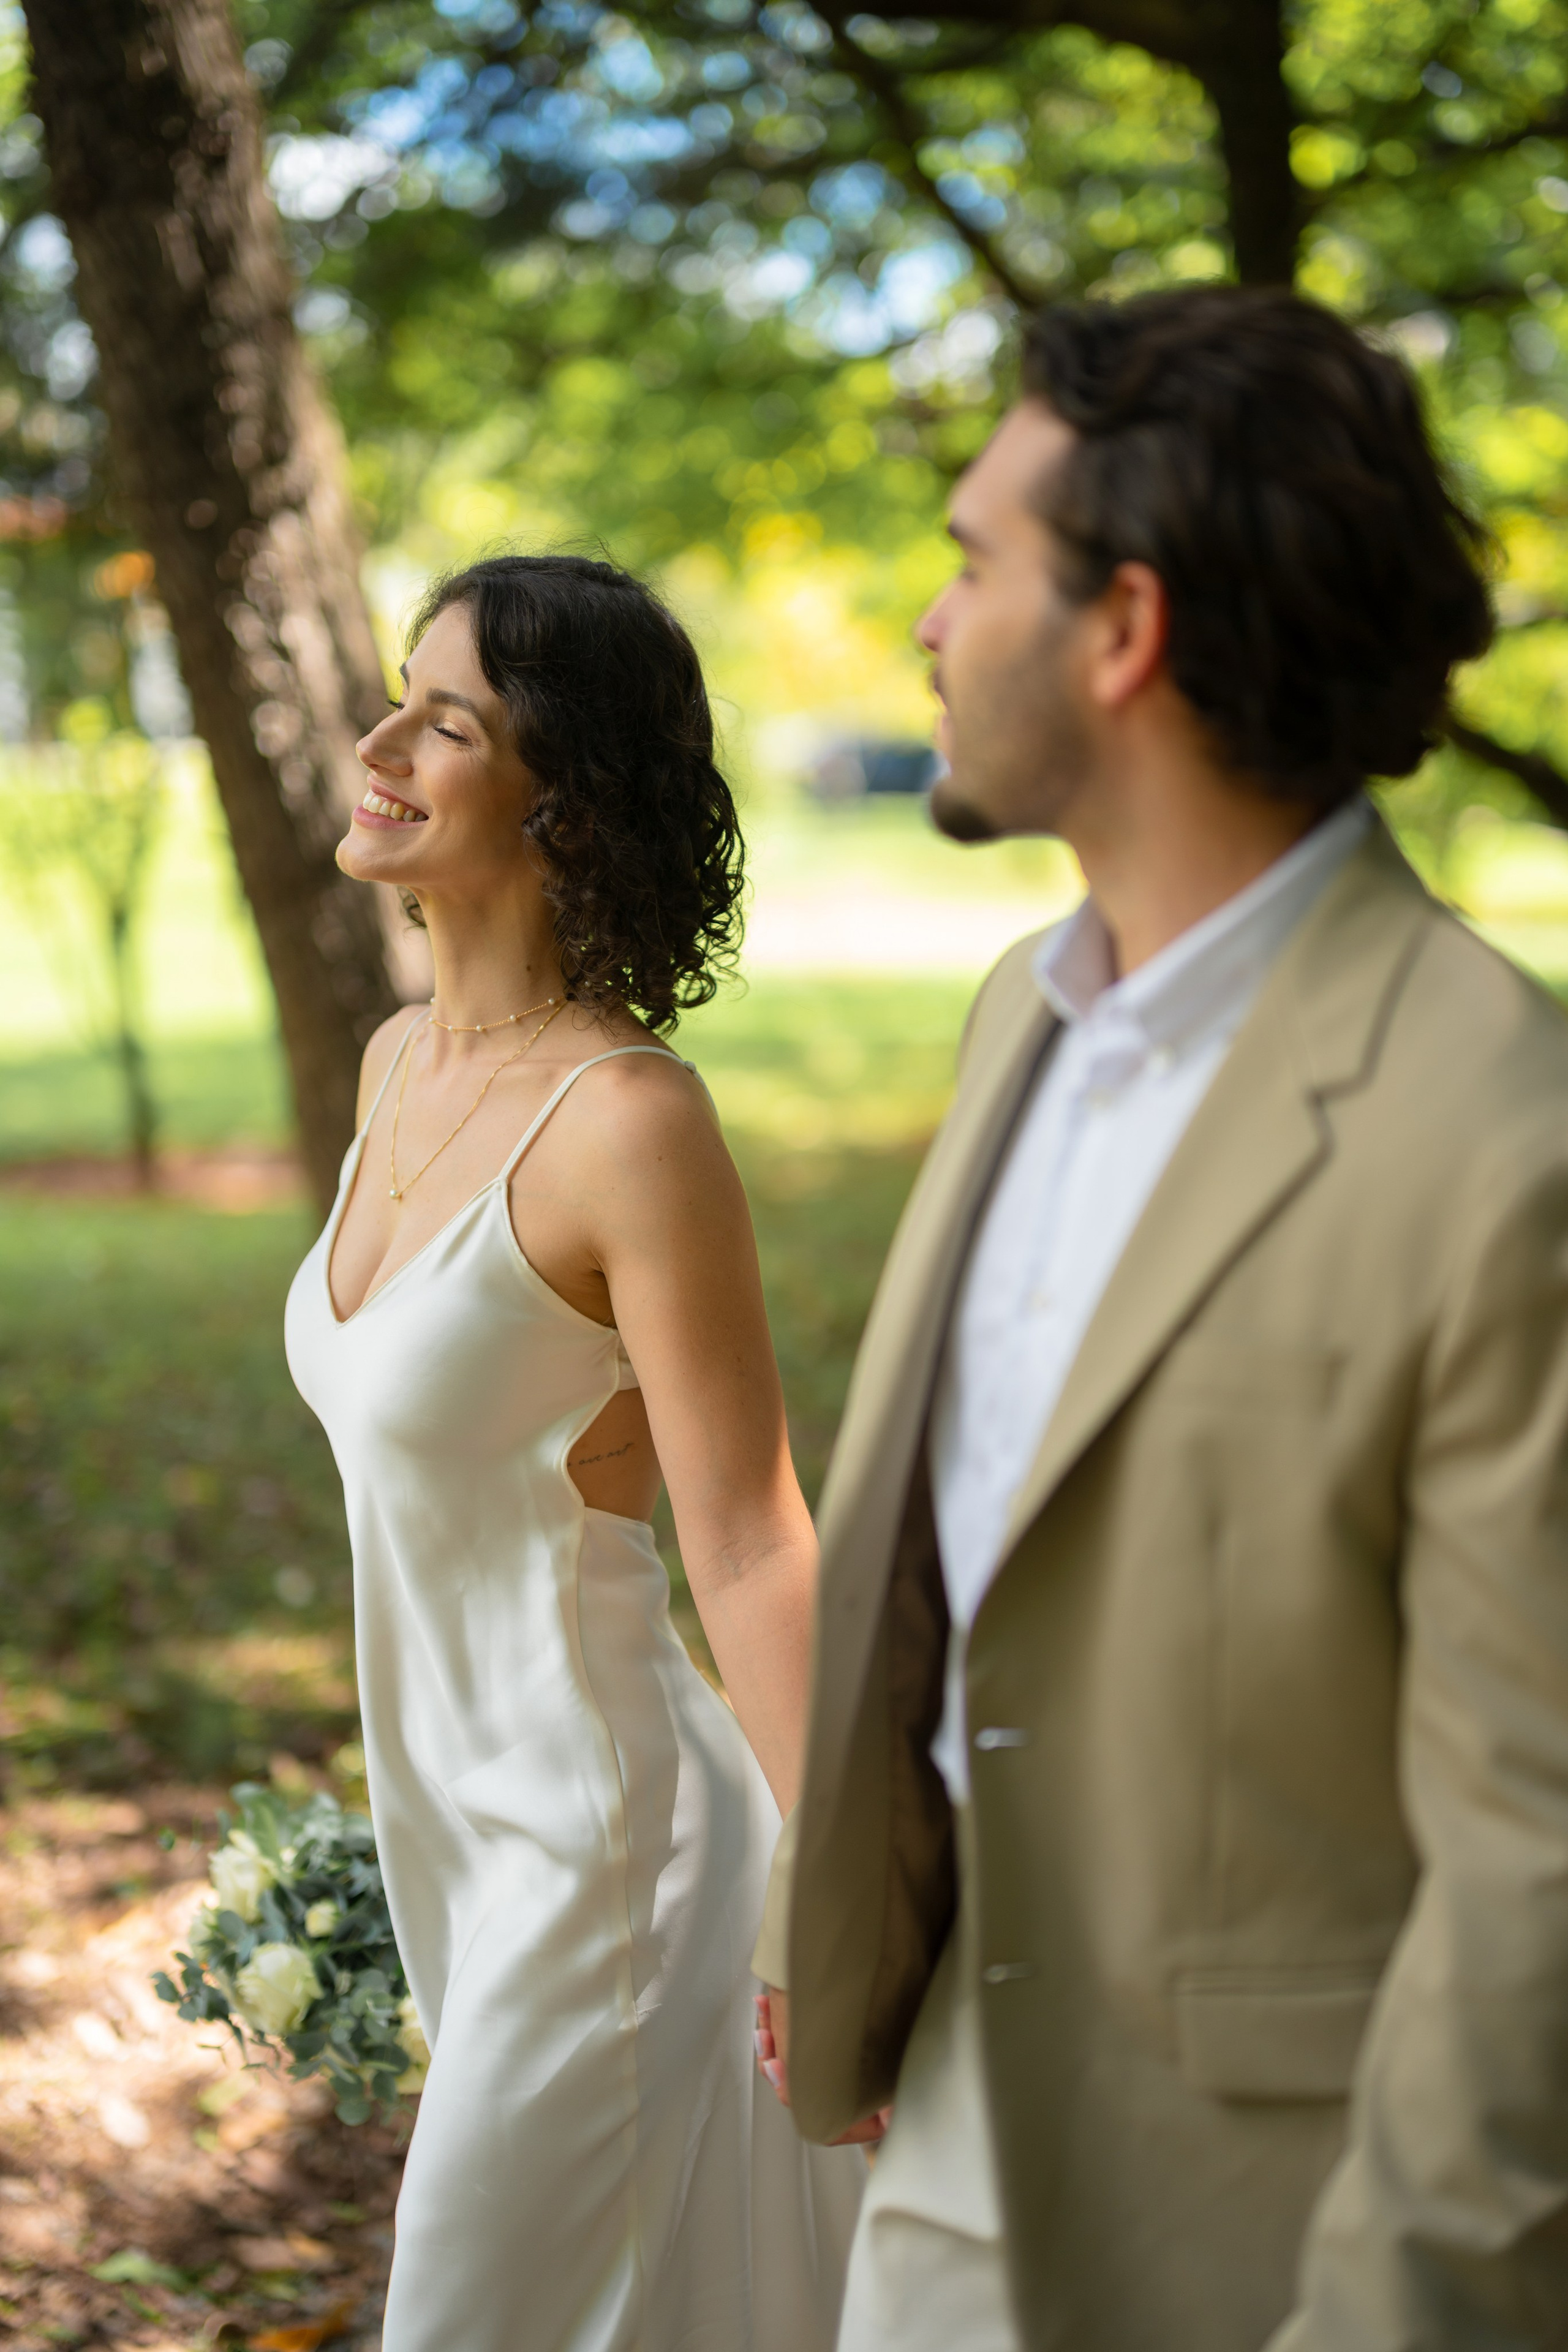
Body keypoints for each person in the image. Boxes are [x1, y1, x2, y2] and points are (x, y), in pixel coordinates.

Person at [752, 286, 1568, 2350]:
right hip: (938, 2148)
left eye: (971, 564)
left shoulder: (1509, 1142)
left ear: (1124, 632)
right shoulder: (1018, 1011)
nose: (929, 626)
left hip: (1276, 2239)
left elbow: (1534, 1885)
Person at [285, 553, 863, 2352]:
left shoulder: (627, 1123)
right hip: (458, 1836)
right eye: (398, 692)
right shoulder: (394, 1065)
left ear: (569, 801)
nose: (378, 743)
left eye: (446, 721)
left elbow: (756, 1543)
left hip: (608, 1853)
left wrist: (849, 1892)